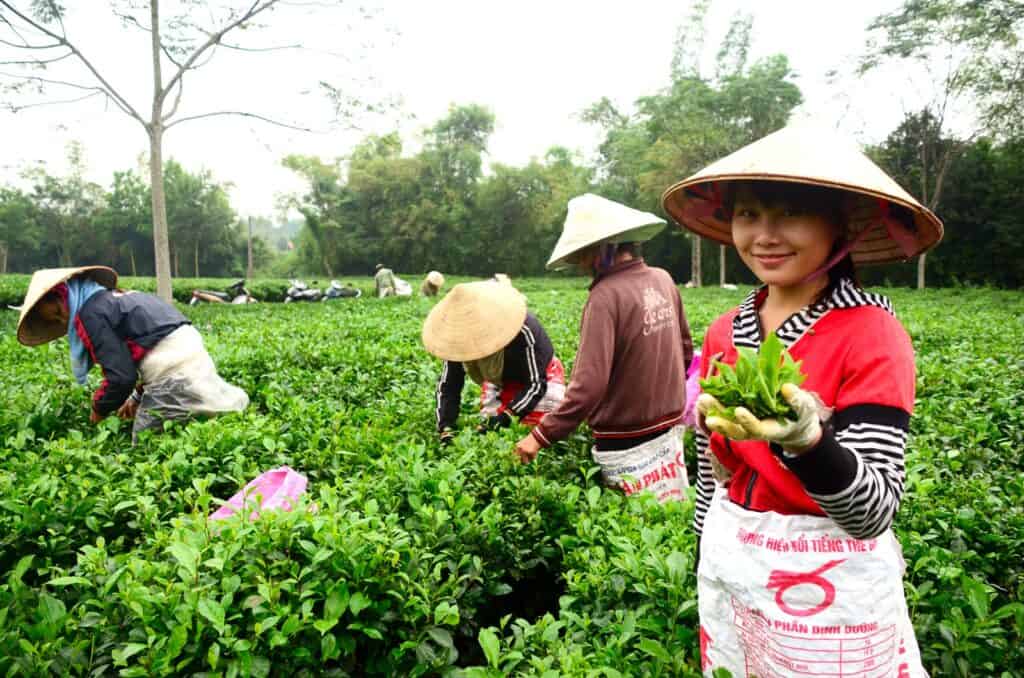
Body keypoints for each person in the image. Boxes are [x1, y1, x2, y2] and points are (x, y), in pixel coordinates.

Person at [660, 125, 943, 675]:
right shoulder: (726, 332)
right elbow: (711, 471)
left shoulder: (871, 333)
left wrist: (809, 441)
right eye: (748, 214)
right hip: (741, 563)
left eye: (789, 213)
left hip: (833, 584)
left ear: (838, 225)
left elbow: (872, 511)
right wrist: (706, 550)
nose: (764, 235)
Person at [514, 194, 694, 503]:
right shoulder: (663, 280)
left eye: (583, 255)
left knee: (629, 534)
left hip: (626, 443)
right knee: (668, 523)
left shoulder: (605, 297)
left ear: (602, 250)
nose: (582, 265)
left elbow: (589, 386)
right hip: (670, 433)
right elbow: (686, 351)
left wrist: (540, 436)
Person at [16, 266, 250, 441]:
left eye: (57, 313)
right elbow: (148, 346)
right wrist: (137, 398)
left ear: (60, 295)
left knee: (145, 445)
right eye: (57, 321)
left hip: (174, 372)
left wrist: (98, 410)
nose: (63, 320)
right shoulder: (117, 297)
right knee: (200, 421)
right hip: (195, 360)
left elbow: (121, 377)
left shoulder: (91, 313)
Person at [422, 280, 565, 445]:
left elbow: (536, 383)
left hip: (539, 377)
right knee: (488, 434)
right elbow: (449, 385)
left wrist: (507, 416)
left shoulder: (523, 329)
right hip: (498, 380)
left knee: (538, 429)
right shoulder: (459, 341)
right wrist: (446, 427)